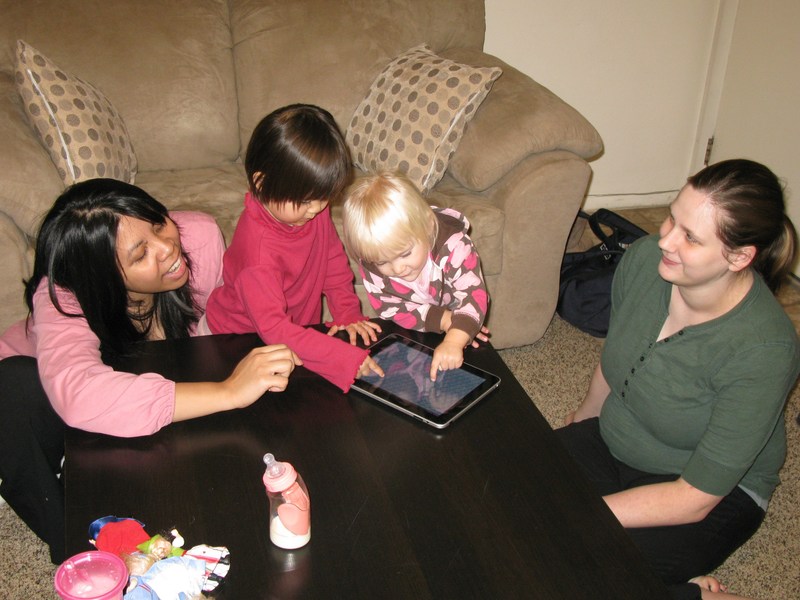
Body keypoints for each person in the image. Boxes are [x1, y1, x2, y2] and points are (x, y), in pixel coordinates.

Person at [0, 179, 300, 564]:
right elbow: (79, 396)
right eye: (140, 254)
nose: (168, 248)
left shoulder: (200, 237)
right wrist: (228, 391)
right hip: (43, 408)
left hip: (140, 394)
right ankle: (77, 552)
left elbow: (223, 329)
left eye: (158, 223)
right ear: (102, 279)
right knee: (10, 392)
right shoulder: (64, 293)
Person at [557, 159, 799, 600]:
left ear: (740, 257)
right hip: (620, 441)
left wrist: (581, 512)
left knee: (576, 572)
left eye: (690, 237)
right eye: (672, 217)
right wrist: (583, 422)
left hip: (708, 491)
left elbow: (695, 497)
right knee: (507, 499)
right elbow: (618, 356)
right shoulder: (648, 260)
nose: (664, 239)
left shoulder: (764, 350)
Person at [206, 104, 383, 392]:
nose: (317, 209)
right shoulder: (257, 255)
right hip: (236, 341)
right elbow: (274, 328)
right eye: (305, 201)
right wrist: (341, 358)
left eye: (324, 197)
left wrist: (347, 312)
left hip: (288, 335)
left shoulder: (309, 206)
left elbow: (331, 259)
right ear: (261, 182)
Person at [341, 171, 489, 380]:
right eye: (384, 262)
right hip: (422, 317)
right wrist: (444, 320)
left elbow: (474, 295)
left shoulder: (455, 247)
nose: (398, 268)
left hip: (459, 303)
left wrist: (456, 338)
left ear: (428, 227)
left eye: (405, 254)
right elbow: (391, 307)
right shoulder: (373, 262)